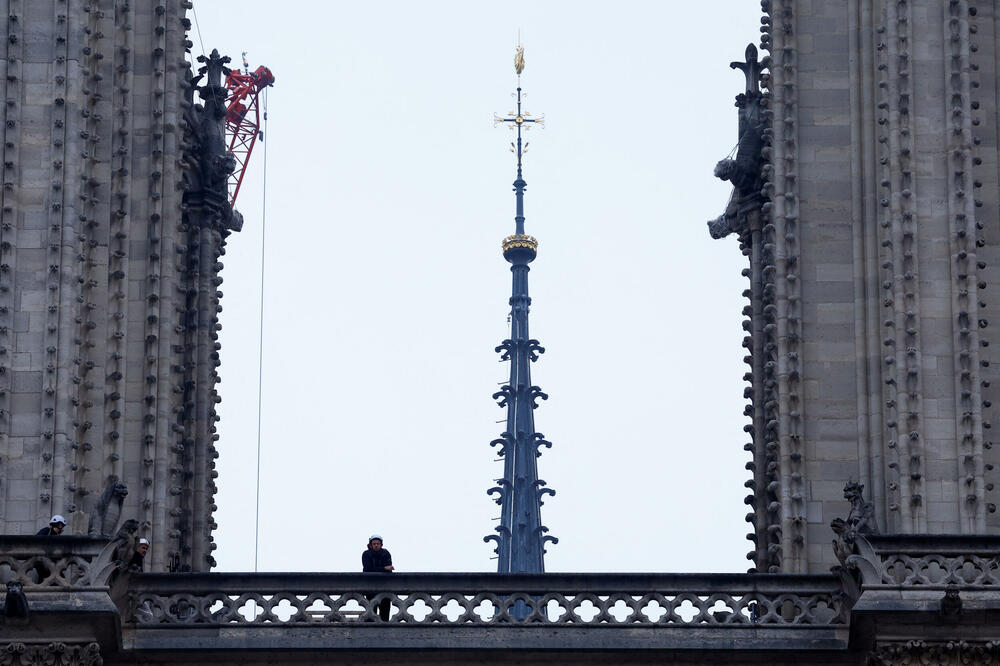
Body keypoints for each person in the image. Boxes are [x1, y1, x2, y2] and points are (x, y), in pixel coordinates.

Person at [362, 534, 393, 621]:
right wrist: (383, 568)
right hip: (370, 587)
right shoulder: (366, 554)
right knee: (371, 614)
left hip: (385, 587)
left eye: (378, 543)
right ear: (371, 545)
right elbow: (367, 570)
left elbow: (389, 570)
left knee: (385, 615)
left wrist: (384, 569)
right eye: (374, 543)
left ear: (381, 545)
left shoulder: (385, 553)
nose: (376, 545)